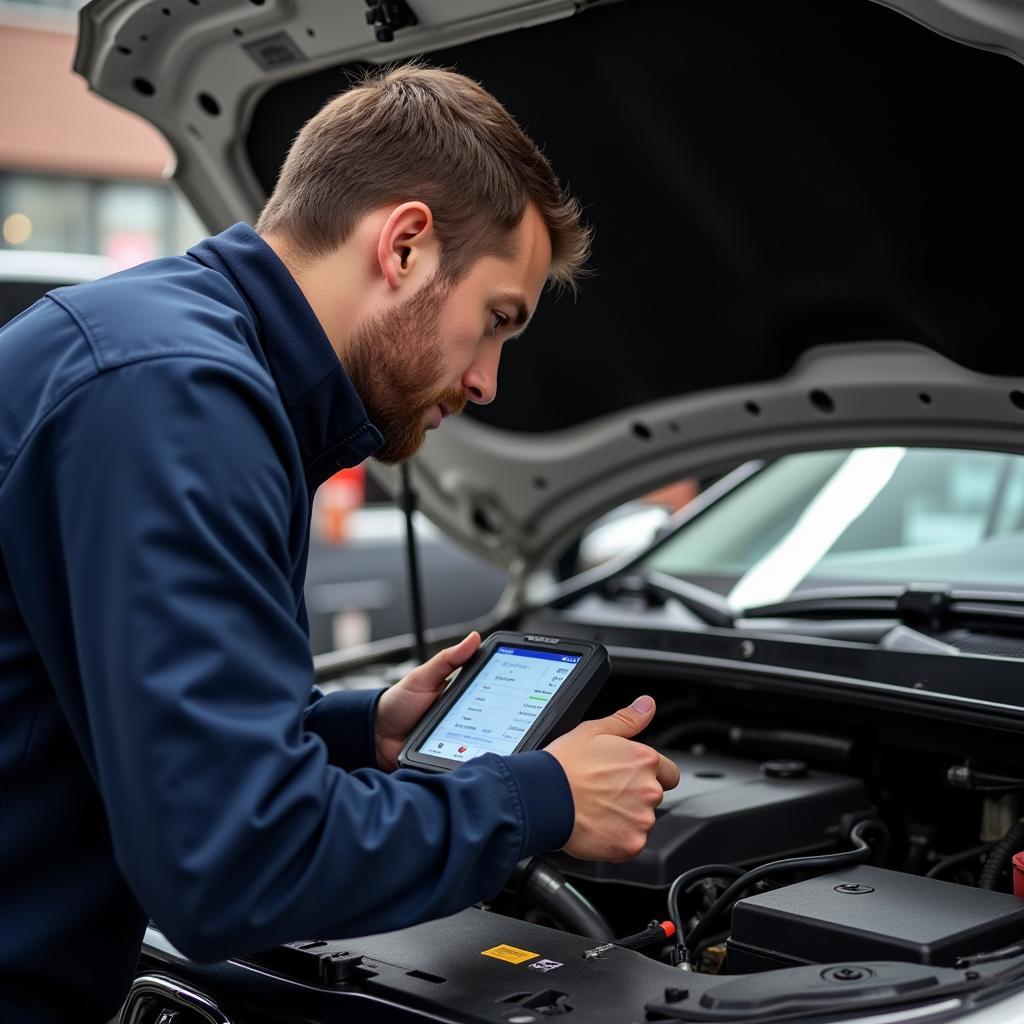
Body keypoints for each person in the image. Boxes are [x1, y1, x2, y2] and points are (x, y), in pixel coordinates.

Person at [0, 65, 680, 1022]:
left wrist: (362, 733)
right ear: (404, 245)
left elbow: (112, 726)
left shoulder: (163, 354)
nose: (488, 382)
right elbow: (236, 866)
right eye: (496, 320)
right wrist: (542, 797)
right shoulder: (181, 400)